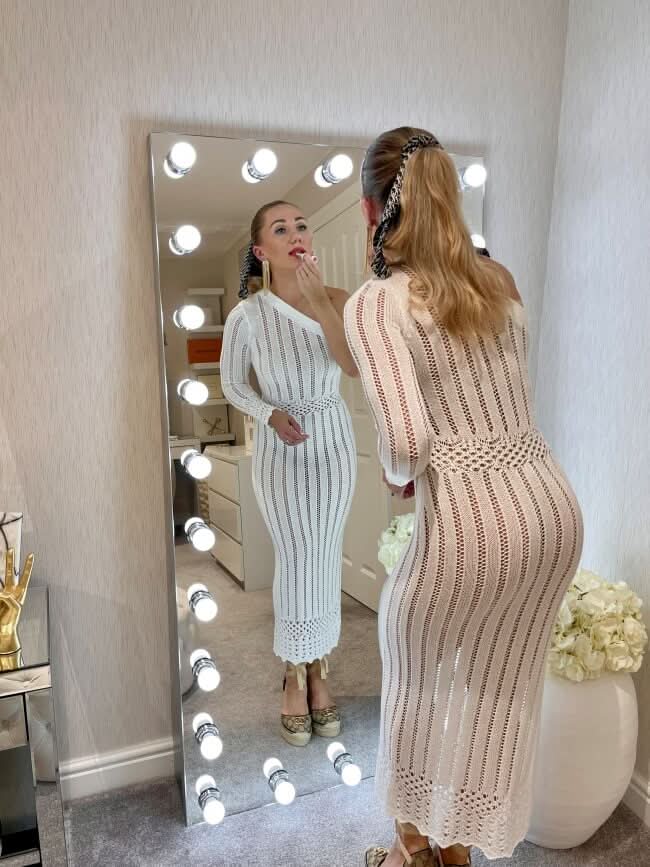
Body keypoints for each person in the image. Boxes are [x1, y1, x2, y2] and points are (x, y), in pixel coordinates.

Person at [344, 128, 583, 866]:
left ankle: (417, 848)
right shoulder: (499, 279)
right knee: (496, 680)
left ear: (370, 210)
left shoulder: (378, 302)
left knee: (414, 663)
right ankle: (457, 845)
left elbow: (409, 442)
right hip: (551, 512)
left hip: (474, 520)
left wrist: (394, 472)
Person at [220, 200, 357, 746]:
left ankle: (321, 670)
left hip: (334, 444)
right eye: (281, 228)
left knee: (325, 557)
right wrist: (268, 413)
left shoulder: (339, 300)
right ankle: (293, 676)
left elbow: (350, 365)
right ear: (261, 251)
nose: (296, 232)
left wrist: (322, 298)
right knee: (295, 559)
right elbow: (233, 384)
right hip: (282, 452)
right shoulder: (246, 317)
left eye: (302, 224)